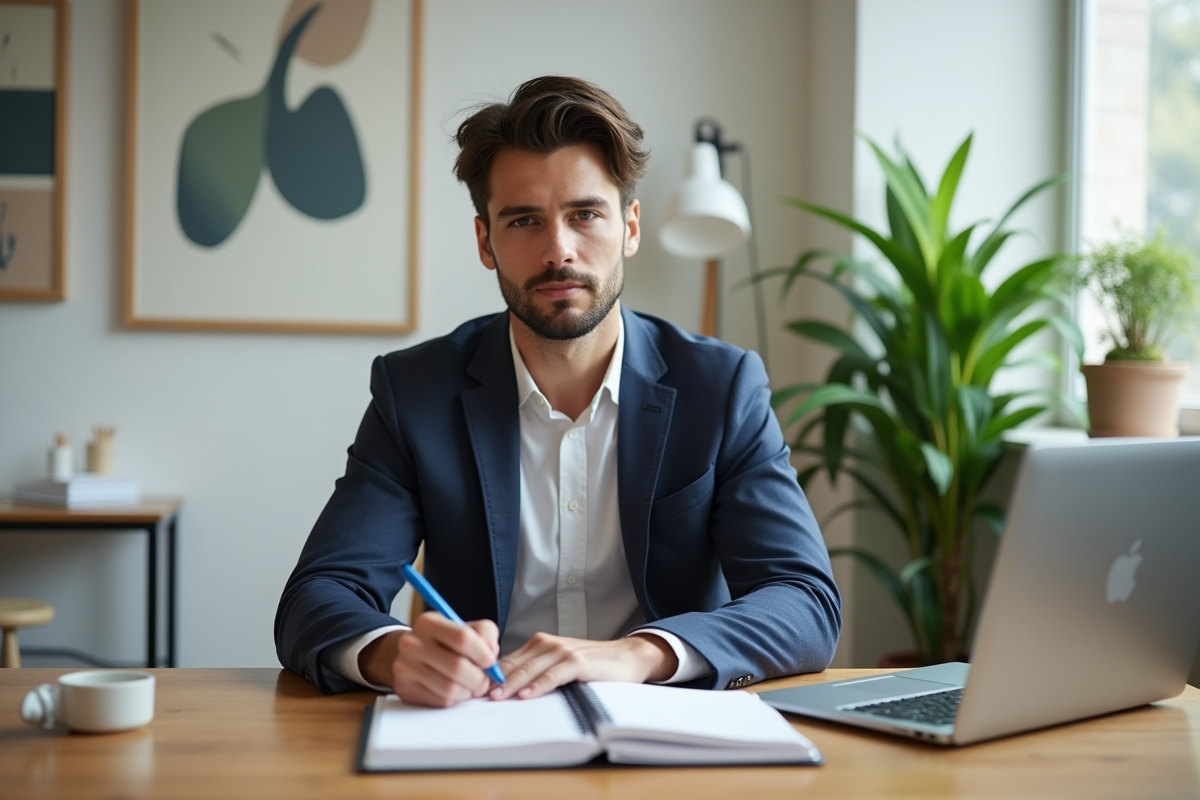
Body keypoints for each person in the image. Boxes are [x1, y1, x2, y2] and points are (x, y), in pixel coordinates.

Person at [275, 75, 841, 707]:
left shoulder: (722, 387)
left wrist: (638, 653)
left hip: (663, 731)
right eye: (524, 221)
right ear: (486, 242)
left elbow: (804, 600)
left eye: (585, 214)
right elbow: (318, 594)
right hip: (483, 727)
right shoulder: (416, 393)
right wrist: (392, 653)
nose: (558, 251)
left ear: (629, 227)